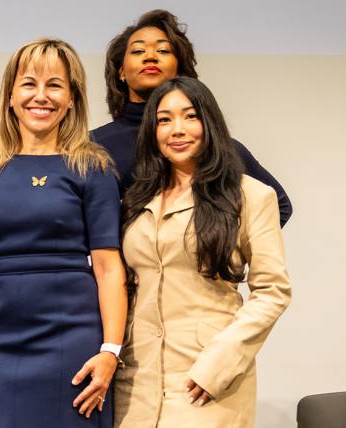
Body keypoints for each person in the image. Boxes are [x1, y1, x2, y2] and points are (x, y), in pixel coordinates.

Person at [0, 38, 127, 427]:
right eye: (29, 83)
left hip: (73, 348)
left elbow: (108, 268)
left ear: (72, 99)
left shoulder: (93, 168)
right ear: (10, 96)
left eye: (55, 85)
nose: (41, 96)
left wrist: (110, 351)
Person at [116, 76, 291, 427]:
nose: (176, 130)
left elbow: (273, 292)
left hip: (205, 379)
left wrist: (221, 364)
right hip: (136, 382)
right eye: (164, 120)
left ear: (209, 123)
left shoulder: (250, 195)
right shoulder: (135, 199)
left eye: (190, 116)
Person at [91, 9, 293, 226]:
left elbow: (279, 205)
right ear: (121, 71)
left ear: (179, 70)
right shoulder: (93, 145)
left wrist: (227, 246)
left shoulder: (215, 145)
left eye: (163, 50)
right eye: (138, 51)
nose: (150, 56)